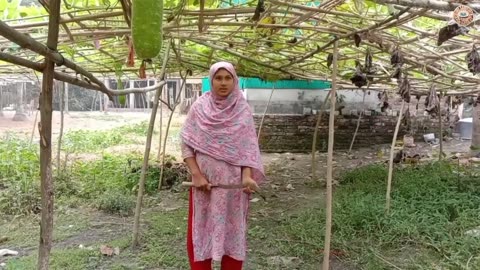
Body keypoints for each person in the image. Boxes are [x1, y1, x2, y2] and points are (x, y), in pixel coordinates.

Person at [180, 61, 265, 270]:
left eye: (228, 78)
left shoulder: (242, 109)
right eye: (218, 78)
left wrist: (247, 176)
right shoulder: (199, 107)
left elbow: (248, 148)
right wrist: (196, 175)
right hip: (204, 187)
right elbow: (186, 142)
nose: (223, 83)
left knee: (233, 235)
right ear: (211, 80)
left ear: (234, 81)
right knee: (200, 233)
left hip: (234, 189)